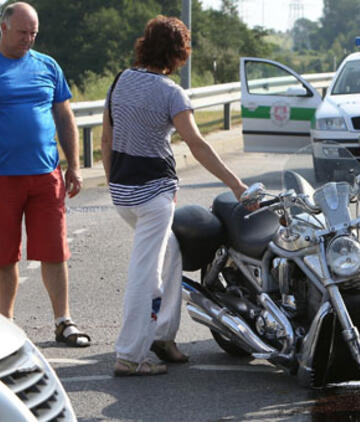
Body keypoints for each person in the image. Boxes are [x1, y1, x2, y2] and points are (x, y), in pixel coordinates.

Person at [101, 15, 249, 376]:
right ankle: (130, 355)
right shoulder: (171, 93)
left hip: (124, 193)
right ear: (179, 53)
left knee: (171, 255)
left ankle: (163, 335)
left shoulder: (120, 81)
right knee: (146, 273)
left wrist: (115, 183)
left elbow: (106, 140)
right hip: (154, 197)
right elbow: (196, 144)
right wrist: (236, 184)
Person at [0, 2, 91, 347]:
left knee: (55, 252)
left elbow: (65, 117)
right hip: (2, 177)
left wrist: (75, 165)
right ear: (4, 27)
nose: (28, 39)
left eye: (33, 33)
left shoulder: (47, 65)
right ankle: (5, 326)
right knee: (4, 256)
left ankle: (63, 321)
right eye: (22, 32)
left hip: (45, 175)